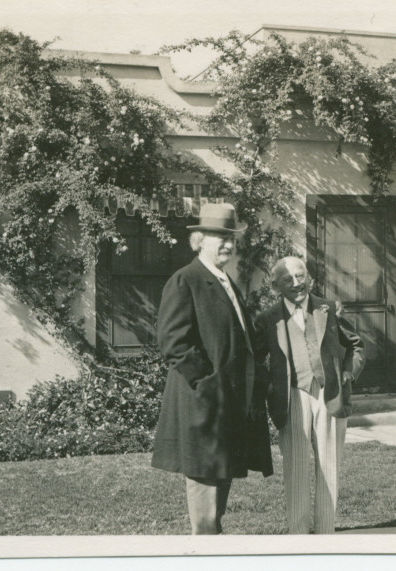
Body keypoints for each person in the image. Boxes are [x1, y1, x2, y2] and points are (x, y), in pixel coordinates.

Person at [151, 202, 273, 535]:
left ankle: (212, 543)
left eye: (232, 238)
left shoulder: (225, 282)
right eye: (220, 236)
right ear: (199, 240)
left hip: (229, 403)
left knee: (222, 472)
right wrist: (208, 382)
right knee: (205, 476)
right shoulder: (186, 280)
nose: (229, 245)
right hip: (205, 402)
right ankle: (205, 549)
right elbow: (173, 342)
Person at [254, 256, 364, 534]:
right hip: (292, 399)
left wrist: (348, 374)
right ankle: (298, 538)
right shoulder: (269, 319)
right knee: (296, 469)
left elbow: (356, 347)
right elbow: (253, 361)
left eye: (300, 276)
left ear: (309, 277)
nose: (296, 284)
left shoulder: (328, 308)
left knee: (329, 466)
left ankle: (326, 534)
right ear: (277, 285)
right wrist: (270, 386)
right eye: (288, 280)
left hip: (330, 394)